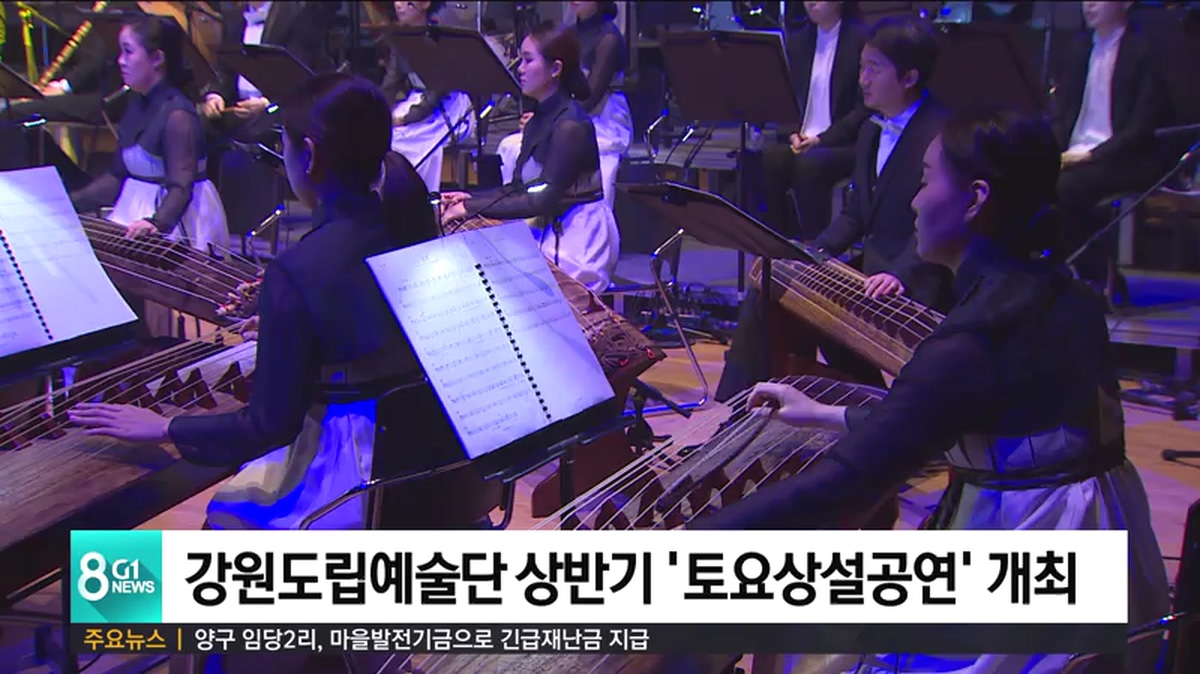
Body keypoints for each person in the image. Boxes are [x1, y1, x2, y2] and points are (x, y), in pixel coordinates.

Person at [691, 106, 1171, 673]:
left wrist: (688, 543)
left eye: (924, 181)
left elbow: (844, 484)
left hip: (1030, 561)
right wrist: (824, 414)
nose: (914, 203)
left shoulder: (978, 335)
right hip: (1102, 542)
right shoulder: (1062, 294)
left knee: (809, 635)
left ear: (975, 200)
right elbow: (969, 425)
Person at [69, 72, 500, 539]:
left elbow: (267, 427)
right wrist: (299, 335)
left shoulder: (297, 269)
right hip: (439, 464)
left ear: (309, 155)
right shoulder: (408, 226)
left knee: (223, 519)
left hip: (359, 480)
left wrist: (167, 427)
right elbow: (374, 327)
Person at [717, 16, 954, 400]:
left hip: (916, 282)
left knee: (806, 306)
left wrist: (899, 274)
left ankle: (871, 402)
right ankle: (737, 406)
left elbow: (945, 221)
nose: (863, 80)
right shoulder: (871, 129)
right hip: (870, 277)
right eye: (861, 67)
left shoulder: (942, 133)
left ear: (909, 77)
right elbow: (857, 214)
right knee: (770, 285)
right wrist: (813, 251)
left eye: (874, 69)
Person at [69, 15, 230, 337]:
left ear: (157, 58)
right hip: (136, 207)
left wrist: (157, 224)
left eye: (128, 51)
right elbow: (116, 177)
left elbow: (181, 186)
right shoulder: (137, 104)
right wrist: (68, 203)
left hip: (175, 215)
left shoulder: (178, 114)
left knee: (168, 317)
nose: (120, 61)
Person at [440, 21, 620, 295]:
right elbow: (517, 188)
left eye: (527, 60)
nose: (520, 69)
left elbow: (542, 199)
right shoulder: (539, 119)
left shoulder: (570, 125)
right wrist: (468, 199)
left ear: (556, 69)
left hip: (577, 238)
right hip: (548, 225)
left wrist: (470, 208)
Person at [1053, 1, 1171, 296]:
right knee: (1023, 176)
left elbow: (1141, 127)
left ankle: (1092, 276)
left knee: (1066, 187)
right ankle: (1064, 275)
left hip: (1124, 158)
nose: (1089, 4)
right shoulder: (1078, 48)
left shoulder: (1144, 50)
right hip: (1076, 153)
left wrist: (1090, 156)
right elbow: (1061, 114)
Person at [200, 1, 339, 236]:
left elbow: (299, 74)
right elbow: (224, 72)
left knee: (255, 136)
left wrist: (266, 102)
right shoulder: (233, 17)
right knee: (197, 128)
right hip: (237, 107)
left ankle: (256, 232)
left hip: (278, 106)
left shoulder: (296, 12)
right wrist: (215, 95)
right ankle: (206, 225)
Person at [496, 1, 632, 210]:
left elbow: (590, 97)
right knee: (510, 146)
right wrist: (540, 117)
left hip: (602, 116)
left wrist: (547, 121)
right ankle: (512, 209)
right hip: (564, 111)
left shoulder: (609, 38)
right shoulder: (570, 32)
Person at [761, 1, 869, 240]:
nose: (810, 2)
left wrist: (822, 139)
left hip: (844, 142)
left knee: (810, 166)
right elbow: (785, 95)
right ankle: (777, 243)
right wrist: (792, 132)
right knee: (771, 159)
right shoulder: (798, 41)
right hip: (802, 136)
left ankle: (816, 246)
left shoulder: (861, 40)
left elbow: (864, 109)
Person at [381, 0, 476, 195]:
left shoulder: (440, 39)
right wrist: (378, 109)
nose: (398, 5)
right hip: (416, 98)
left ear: (425, 4)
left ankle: (417, 197)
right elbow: (390, 84)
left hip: (447, 106)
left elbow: (436, 93)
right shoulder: (401, 39)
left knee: (412, 144)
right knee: (384, 136)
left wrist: (404, 119)